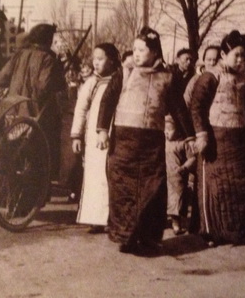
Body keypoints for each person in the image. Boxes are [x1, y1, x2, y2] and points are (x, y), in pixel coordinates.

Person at [96, 27, 194, 254]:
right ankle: (126, 237)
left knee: (153, 189)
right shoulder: (125, 72)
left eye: (142, 50)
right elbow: (107, 101)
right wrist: (102, 131)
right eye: (135, 49)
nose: (136, 53)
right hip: (124, 142)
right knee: (123, 189)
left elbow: (178, 109)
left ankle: (149, 239)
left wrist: (190, 135)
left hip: (151, 142)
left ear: (154, 52)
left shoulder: (167, 77)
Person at [191, 30, 245, 246]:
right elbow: (197, 107)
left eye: (244, 56)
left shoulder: (244, 80)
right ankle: (212, 233)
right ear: (224, 54)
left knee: (236, 187)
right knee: (215, 187)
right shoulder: (210, 76)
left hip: (237, 139)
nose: (240, 60)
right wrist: (201, 135)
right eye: (236, 55)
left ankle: (234, 231)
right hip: (215, 139)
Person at [0, 23, 67, 182]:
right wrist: (58, 76)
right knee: (41, 152)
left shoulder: (19, 55)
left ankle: (3, 191)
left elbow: (1, 79)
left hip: (12, 111)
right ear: (48, 40)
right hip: (35, 113)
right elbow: (43, 88)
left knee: (11, 151)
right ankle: (38, 191)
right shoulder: (48, 59)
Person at [70, 43, 121, 234]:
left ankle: (113, 218)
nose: (96, 63)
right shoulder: (91, 83)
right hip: (94, 137)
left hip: (116, 133)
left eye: (101, 59)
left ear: (112, 60)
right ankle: (95, 218)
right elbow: (81, 109)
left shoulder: (120, 80)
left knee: (113, 174)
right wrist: (76, 135)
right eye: (94, 59)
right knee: (95, 175)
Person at [164, 115, 197, 236]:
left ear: (178, 130)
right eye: (165, 129)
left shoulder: (183, 144)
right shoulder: (164, 142)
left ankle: (176, 225)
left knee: (176, 201)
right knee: (164, 199)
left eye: (170, 129)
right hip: (165, 176)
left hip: (178, 177)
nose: (166, 132)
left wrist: (184, 167)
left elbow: (192, 158)